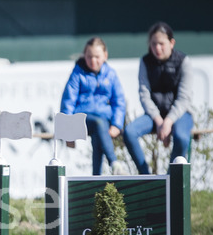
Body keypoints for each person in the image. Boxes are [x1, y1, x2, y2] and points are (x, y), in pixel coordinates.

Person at [123, 22, 194, 174]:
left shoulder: (183, 61)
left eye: (161, 44)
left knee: (182, 138)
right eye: (153, 44)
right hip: (154, 116)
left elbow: (184, 97)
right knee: (129, 132)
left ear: (171, 43)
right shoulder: (145, 62)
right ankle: (146, 177)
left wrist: (168, 121)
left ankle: (171, 179)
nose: (157, 48)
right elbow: (144, 94)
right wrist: (159, 120)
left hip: (180, 114)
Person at [59, 37, 127, 176]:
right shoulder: (77, 73)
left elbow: (119, 101)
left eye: (97, 56)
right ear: (84, 56)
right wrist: (68, 132)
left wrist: (117, 124)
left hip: (104, 122)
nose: (93, 60)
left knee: (99, 135)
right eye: (89, 56)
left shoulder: (111, 74)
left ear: (105, 56)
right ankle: (114, 163)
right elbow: (68, 101)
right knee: (98, 123)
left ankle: (96, 179)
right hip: (83, 119)